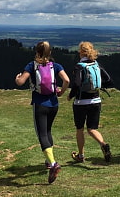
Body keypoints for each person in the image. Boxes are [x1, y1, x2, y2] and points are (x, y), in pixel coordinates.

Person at [14, 41, 70, 184]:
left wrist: (17, 78)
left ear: (36, 51)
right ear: (50, 52)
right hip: (53, 104)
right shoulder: (55, 65)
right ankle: (48, 160)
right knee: (48, 131)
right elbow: (67, 80)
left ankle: (53, 164)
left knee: (42, 134)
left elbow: (20, 82)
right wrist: (61, 92)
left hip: (39, 104)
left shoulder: (32, 65)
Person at [67, 41, 111, 163]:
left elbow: (76, 84)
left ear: (81, 52)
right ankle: (103, 144)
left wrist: (70, 96)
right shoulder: (96, 64)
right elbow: (108, 79)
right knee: (92, 129)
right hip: (96, 100)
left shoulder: (79, 66)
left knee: (80, 129)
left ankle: (80, 155)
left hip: (81, 102)